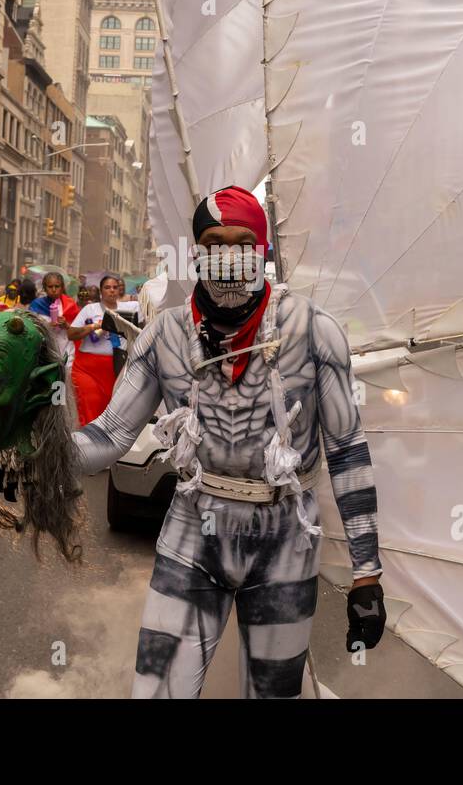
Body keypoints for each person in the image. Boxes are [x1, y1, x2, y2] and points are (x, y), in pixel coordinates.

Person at [71, 186, 385, 699]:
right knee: (154, 693)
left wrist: (366, 573)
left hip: (287, 538)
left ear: (262, 249)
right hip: (195, 527)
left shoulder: (312, 330)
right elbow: (110, 433)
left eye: (241, 242)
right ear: (196, 252)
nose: (228, 256)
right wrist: (33, 455)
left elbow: (347, 449)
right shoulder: (165, 335)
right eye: (213, 243)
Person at [68, 274, 139, 425]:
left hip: (115, 367)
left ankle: (103, 441)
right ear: (101, 291)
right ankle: (87, 439)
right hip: (87, 368)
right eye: (107, 288)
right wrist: (94, 326)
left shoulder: (130, 308)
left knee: (110, 407)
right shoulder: (90, 309)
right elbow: (71, 334)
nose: (111, 291)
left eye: (115, 287)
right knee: (91, 401)